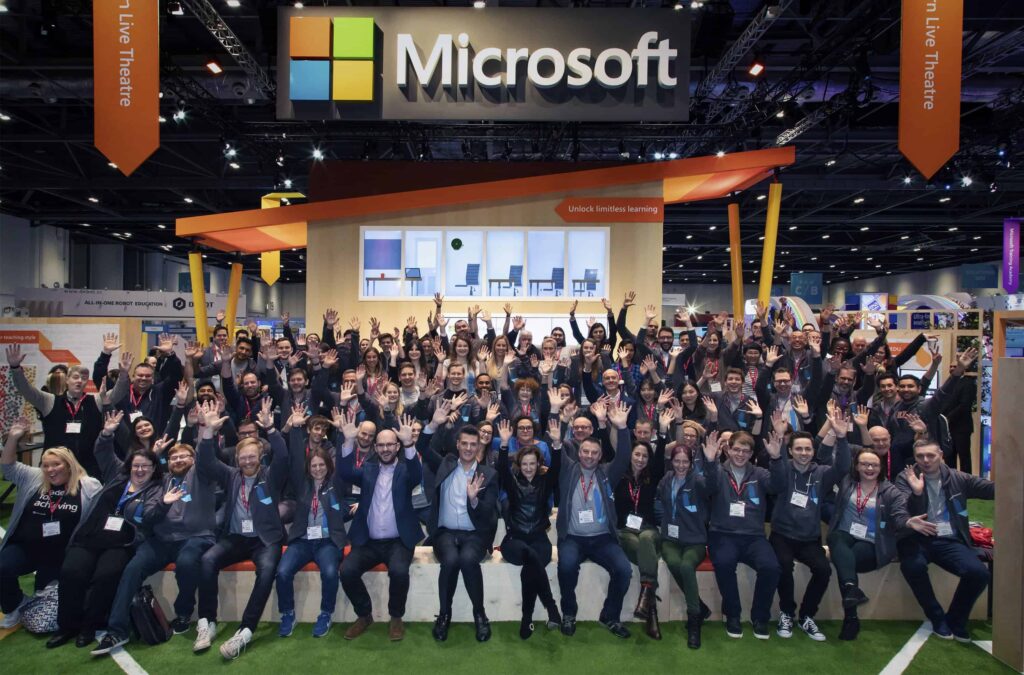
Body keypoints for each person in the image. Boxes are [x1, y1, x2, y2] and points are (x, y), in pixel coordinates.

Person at [91, 433, 220, 654]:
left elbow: (206, 455)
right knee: (132, 569)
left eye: (184, 456)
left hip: (195, 537)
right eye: (173, 458)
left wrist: (205, 430)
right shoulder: (160, 481)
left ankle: (183, 613)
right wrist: (155, 454)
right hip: (161, 540)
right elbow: (137, 473)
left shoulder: (201, 475)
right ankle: (117, 630)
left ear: (194, 459)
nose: (178, 460)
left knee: (187, 562)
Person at [48, 411, 165, 649]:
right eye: (136, 465)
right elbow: (102, 452)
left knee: (106, 576)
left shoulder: (155, 489)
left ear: (154, 469)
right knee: (71, 572)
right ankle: (67, 626)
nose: (140, 470)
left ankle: (89, 626)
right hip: (90, 536)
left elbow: (150, 516)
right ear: (129, 466)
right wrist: (107, 433)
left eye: (145, 466)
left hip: (121, 542)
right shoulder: (117, 475)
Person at [193, 398, 289, 660]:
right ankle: (207, 622)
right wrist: (208, 432)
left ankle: (245, 630)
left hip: (265, 540)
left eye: (252, 457)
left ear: (260, 457)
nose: (247, 461)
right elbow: (206, 462)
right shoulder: (231, 475)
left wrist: (271, 429)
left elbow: (283, 457)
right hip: (236, 538)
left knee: (267, 571)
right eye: (243, 457)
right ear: (237, 459)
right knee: (207, 560)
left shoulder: (270, 475)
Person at [0, 418, 102, 630]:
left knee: (46, 599)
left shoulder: (88, 486)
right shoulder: (34, 478)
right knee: (2, 566)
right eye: (46, 465)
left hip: (59, 553)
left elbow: (98, 517)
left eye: (56, 464)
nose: (51, 470)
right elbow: (7, 467)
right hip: (26, 548)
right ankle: (15, 604)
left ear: (69, 465)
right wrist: (13, 438)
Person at [767, 402, 853, 643]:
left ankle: (806, 615)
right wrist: (777, 450)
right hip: (782, 535)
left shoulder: (822, 473)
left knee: (823, 570)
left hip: (809, 538)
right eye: (798, 449)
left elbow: (843, 467)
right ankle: (787, 612)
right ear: (791, 451)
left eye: (807, 449)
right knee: (783, 566)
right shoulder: (783, 468)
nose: (803, 453)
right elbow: (775, 483)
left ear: (813, 451)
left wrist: (842, 438)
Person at [895, 440, 994, 641]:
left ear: (941, 455)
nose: (925, 460)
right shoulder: (905, 477)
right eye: (920, 456)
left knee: (979, 574)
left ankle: (956, 620)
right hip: (915, 538)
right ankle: (937, 617)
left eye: (930, 455)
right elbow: (902, 509)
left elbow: (991, 489)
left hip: (948, 539)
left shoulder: (958, 478)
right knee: (912, 566)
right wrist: (917, 493)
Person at [418, 401, 500, 642]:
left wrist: (474, 500)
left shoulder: (488, 474)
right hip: (445, 532)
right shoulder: (445, 464)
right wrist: (433, 425)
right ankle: (444, 615)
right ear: (457, 444)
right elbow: (422, 447)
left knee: (467, 560)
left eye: (473, 444)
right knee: (451, 561)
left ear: (479, 446)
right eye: (464, 443)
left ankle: (479, 614)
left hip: (475, 534)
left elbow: (488, 512)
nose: (468, 448)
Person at [338, 415, 423, 642]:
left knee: (399, 572)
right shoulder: (368, 469)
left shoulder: (405, 471)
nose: (385, 449)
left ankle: (396, 617)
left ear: (397, 447)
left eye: (390, 445)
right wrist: (348, 441)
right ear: (375, 447)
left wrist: (409, 444)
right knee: (347, 571)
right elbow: (345, 472)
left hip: (398, 542)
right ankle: (364, 615)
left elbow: (417, 475)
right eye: (381, 445)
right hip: (369, 542)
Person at [555, 400, 633, 639]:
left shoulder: (607, 473)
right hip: (572, 538)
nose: (589, 456)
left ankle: (610, 615)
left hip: (602, 538)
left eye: (594, 453)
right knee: (566, 566)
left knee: (624, 570)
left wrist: (622, 428)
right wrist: (560, 420)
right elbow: (556, 444)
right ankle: (569, 613)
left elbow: (624, 456)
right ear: (579, 452)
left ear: (600, 456)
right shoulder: (568, 470)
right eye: (585, 452)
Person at [275, 406, 349, 639]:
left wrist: (342, 432)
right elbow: (297, 456)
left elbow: (343, 460)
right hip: (303, 541)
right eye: (314, 465)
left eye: (321, 465)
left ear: (328, 466)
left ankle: (326, 613)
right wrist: (297, 428)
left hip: (328, 542)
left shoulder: (336, 483)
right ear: (309, 468)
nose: (318, 469)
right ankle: (287, 613)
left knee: (330, 572)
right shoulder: (302, 484)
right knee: (282, 572)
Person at [706, 430, 785, 640]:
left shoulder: (760, 474)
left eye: (746, 451)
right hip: (722, 534)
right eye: (736, 450)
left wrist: (776, 458)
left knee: (771, 568)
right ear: (728, 450)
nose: (740, 454)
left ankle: (760, 617)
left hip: (754, 536)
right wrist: (710, 462)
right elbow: (708, 487)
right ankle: (732, 615)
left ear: (751, 454)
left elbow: (778, 486)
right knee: (724, 564)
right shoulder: (719, 471)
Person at [6, 344, 130, 477]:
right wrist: (15, 368)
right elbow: (26, 390)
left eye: (83, 378)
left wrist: (123, 375)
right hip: (55, 468)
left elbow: (118, 393)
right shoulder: (49, 401)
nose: (79, 381)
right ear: (67, 380)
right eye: (75, 377)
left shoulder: (96, 400)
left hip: (88, 470)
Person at [826, 446, 910, 640]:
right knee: (835, 538)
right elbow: (826, 457)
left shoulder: (890, 492)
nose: (869, 468)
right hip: (846, 534)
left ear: (881, 468)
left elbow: (900, 515)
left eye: (874, 465)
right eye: (864, 464)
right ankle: (851, 595)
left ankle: (851, 616)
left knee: (845, 560)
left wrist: (908, 522)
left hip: (873, 542)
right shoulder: (847, 482)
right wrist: (839, 438)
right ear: (856, 466)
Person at [495, 418, 562, 640]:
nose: (529, 468)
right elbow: (502, 468)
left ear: (539, 464)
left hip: (540, 540)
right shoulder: (512, 482)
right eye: (524, 464)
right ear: (519, 465)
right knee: (529, 555)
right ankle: (552, 608)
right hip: (514, 542)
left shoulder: (546, 482)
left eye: (532, 464)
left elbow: (557, 468)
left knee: (530, 567)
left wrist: (557, 444)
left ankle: (527, 618)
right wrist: (504, 444)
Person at [657, 441, 717, 648]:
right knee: (674, 563)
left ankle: (694, 619)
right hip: (670, 539)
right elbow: (660, 500)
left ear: (691, 463)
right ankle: (700, 606)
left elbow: (712, 486)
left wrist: (711, 462)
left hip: (695, 541)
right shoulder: (666, 479)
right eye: (677, 461)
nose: (681, 465)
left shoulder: (698, 481)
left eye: (685, 462)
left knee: (686, 565)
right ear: (671, 462)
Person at [615, 437, 667, 639]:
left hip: (648, 529)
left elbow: (660, 459)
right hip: (625, 531)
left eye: (645, 456)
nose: (640, 459)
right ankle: (650, 605)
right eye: (637, 454)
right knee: (636, 543)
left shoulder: (652, 477)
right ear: (630, 456)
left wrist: (662, 434)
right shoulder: (618, 476)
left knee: (645, 539)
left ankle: (646, 591)